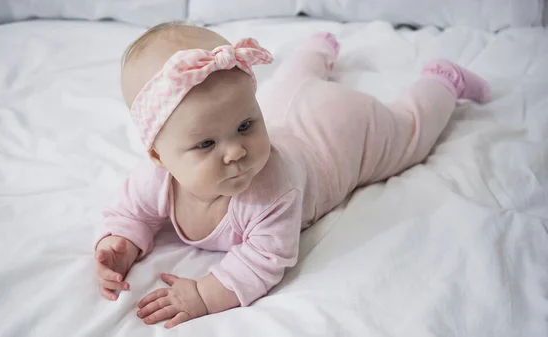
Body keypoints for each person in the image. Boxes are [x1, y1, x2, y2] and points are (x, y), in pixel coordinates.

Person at [94, 22, 490, 328]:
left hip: (339, 136)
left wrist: (203, 293)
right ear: (158, 157)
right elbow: (132, 212)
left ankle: (442, 81)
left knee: (409, 135)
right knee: (291, 84)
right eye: (206, 145)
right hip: (289, 109)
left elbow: (265, 258)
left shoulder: (271, 190)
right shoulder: (156, 180)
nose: (236, 151)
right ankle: (317, 47)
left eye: (247, 125)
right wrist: (121, 243)